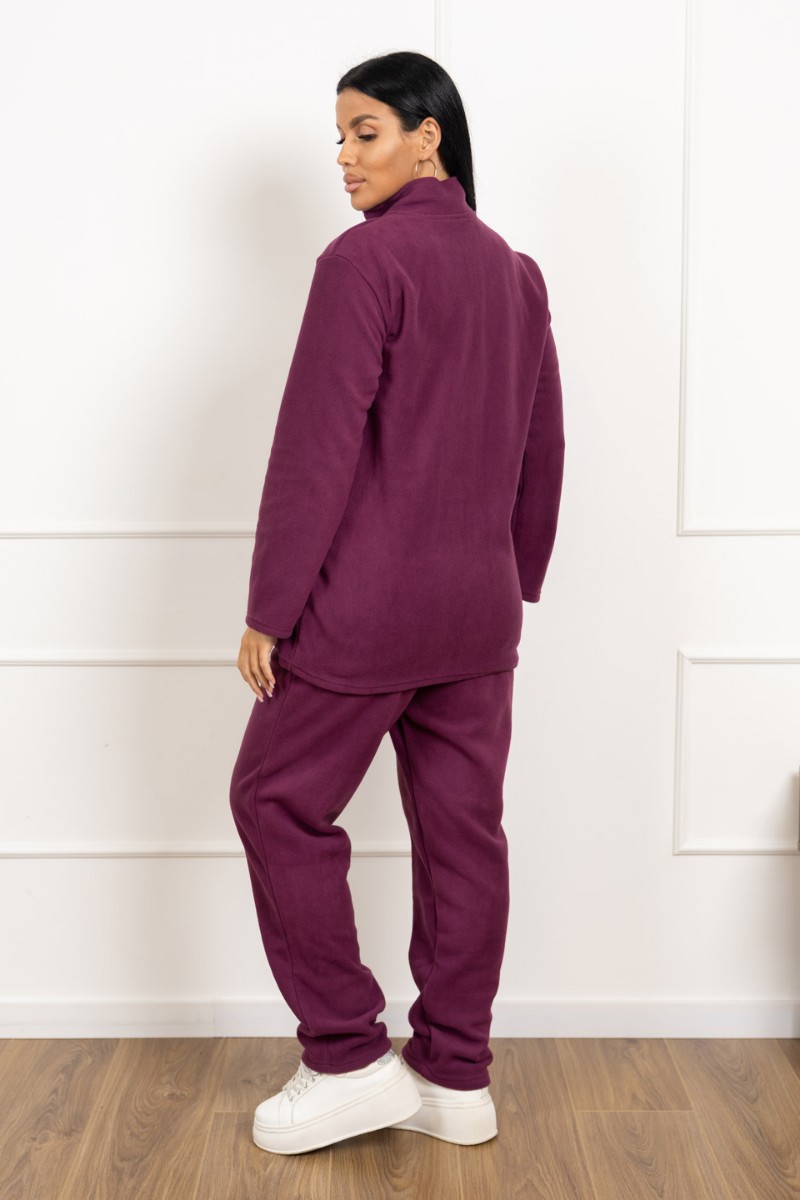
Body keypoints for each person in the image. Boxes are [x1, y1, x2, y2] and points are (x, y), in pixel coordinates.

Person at [229, 49, 565, 1157]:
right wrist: (512, 578)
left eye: (364, 132)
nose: (343, 157)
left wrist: (271, 609)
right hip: (477, 617)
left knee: (274, 801)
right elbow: (542, 451)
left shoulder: (363, 263)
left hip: (364, 614)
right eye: (338, 137)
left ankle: (345, 1057)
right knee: (464, 838)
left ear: (429, 136)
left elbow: (313, 451)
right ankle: (456, 1076)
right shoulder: (516, 273)